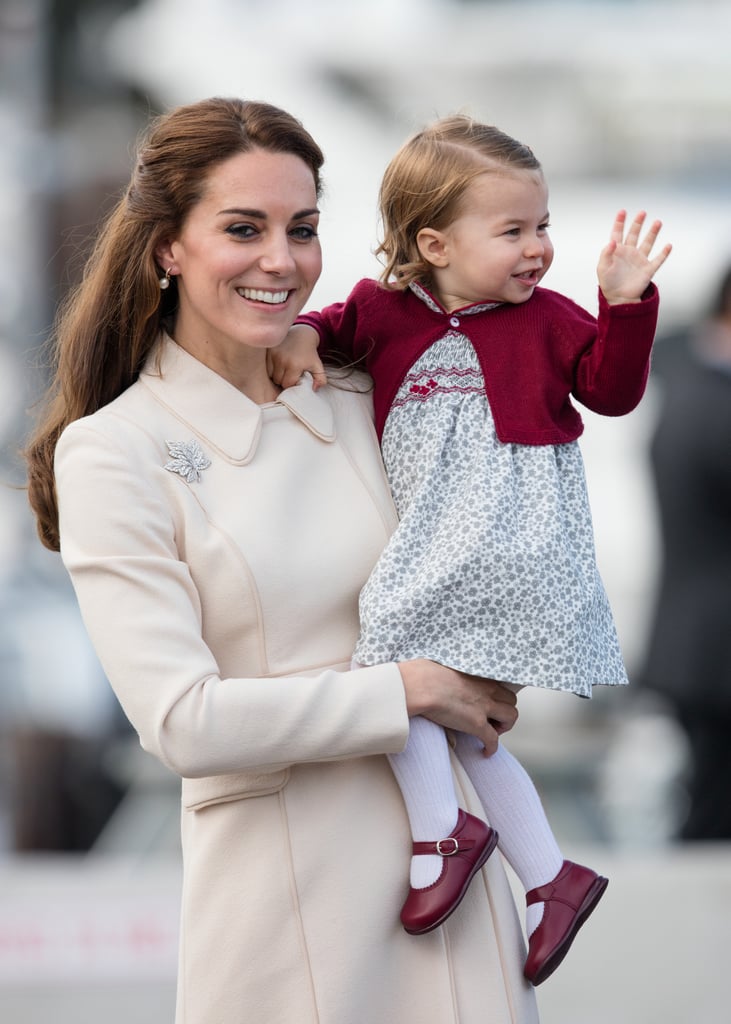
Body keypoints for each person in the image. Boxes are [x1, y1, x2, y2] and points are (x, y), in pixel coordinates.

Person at [23, 98, 541, 1024]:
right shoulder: (116, 451)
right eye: (242, 228)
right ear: (166, 248)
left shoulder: (357, 389)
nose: (281, 260)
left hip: (456, 887)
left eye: (301, 229)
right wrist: (410, 691)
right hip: (294, 919)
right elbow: (182, 721)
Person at [270, 114, 672, 985]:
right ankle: (547, 876)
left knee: (385, 661)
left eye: (543, 227)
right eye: (514, 231)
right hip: (445, 544)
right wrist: (301, 335)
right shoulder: (380, 312)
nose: (537, 249)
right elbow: (324, 331)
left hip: (511, 541)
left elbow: (610, 391)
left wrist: (624, 301)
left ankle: (440, 833)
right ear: (434, 242)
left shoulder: (551, 318)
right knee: (457, 720)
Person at [640, 264, 731, 840]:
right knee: (711, 816)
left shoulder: (681, 374)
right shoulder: (714, 405)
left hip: (691, 639)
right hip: (715, 649)